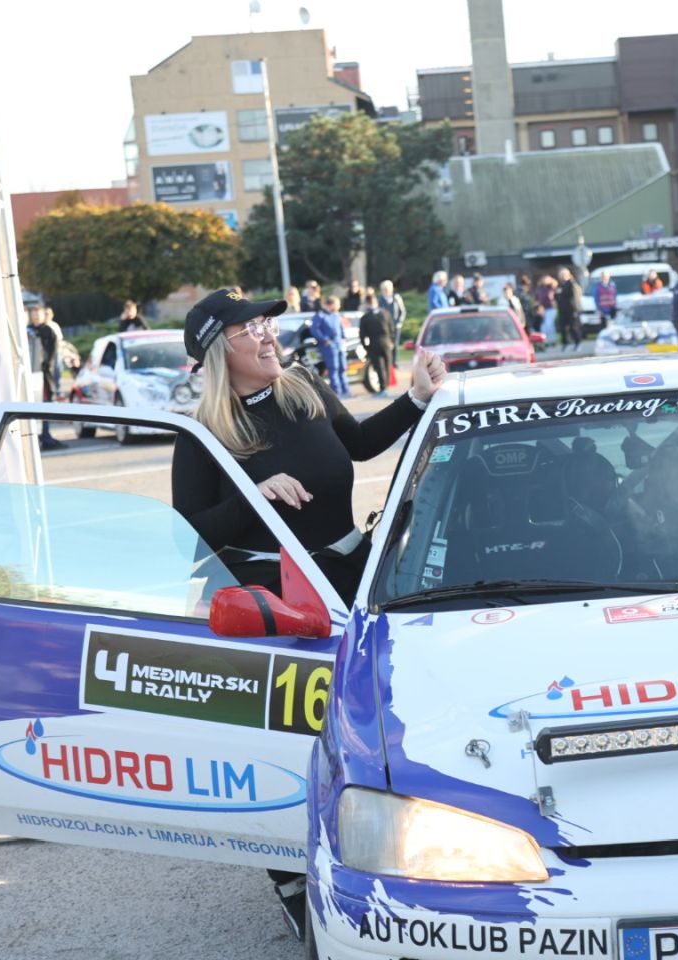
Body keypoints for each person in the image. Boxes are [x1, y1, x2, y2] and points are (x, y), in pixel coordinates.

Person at [170, 288, 444, 939]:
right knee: (295, 739)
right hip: (280, 607)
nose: (268, 336)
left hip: (352, 580)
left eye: (267, 322)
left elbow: (360, 445)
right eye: (249, 329)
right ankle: (293, 879)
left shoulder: (303, 386)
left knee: (379, 721)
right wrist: (251, 496)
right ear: (218, 352)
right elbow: (184, 534)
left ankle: (396, 854)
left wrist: (415, 399)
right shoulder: (203, 430)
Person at [28, 304, 66, 450]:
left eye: (39, 313)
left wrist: (46, 368)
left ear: (44, 315)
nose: (36, 316)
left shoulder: (48, 331)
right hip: (31, 376)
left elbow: (52, 354)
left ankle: (45, 434)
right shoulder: (28, 330)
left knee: (45, 405)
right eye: (34, 313)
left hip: (43, 376)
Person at [310, 295, 350, 398]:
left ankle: (346, 390)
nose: (339, 306)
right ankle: (337, 392)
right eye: (337, 304)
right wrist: (325, 340)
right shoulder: (319, 316)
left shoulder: (336, 315)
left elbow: (341, 328)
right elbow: (314, 330)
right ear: (331, 304)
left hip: (339, 344)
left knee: (342, 367)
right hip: (329, 346)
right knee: (334, 368)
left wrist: (343, 337)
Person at [358, 292, 394, 398]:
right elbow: (392, 328)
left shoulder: (365, 318)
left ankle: (383, 388)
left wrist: (366, 347)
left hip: (374, 343)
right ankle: (386, 386)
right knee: (388, 365)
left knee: (379, 367)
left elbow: (362, 335)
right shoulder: (386, 313)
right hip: (386, 342)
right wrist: (392, 341)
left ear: (367, 304)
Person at [379, 280, 407, 378]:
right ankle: (388, 362)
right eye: (385, 289)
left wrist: (399, 322)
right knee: (388, 344)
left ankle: (394, 362)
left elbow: (402, 311)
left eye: (388, 289)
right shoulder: (380, 299)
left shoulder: (396, 297)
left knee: (395, 343)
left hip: (395, 325)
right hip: (385, 326)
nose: (386, 291)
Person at [555, 267, 583, 350]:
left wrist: (576, 310)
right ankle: (565, 344)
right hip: (562, 310)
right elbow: (557, 296)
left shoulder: (572, 284)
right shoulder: (560, 285)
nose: (562, 276)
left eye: (564, 275)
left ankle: (578, 342)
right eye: (561, 275)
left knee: (573, 327)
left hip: (571, 309)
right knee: (563, 328)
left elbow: (575, 297)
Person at [536, 274, 558, 344]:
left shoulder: (553, 288)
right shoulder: (540, 288)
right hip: (542, 309)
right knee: (545, 325)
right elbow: (537, 299)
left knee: (549, 325)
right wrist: (538, 307)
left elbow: (556, 298)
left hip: (551, 308)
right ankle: (549, 340)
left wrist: (553, 300)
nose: (545, 281)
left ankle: (551, 340)